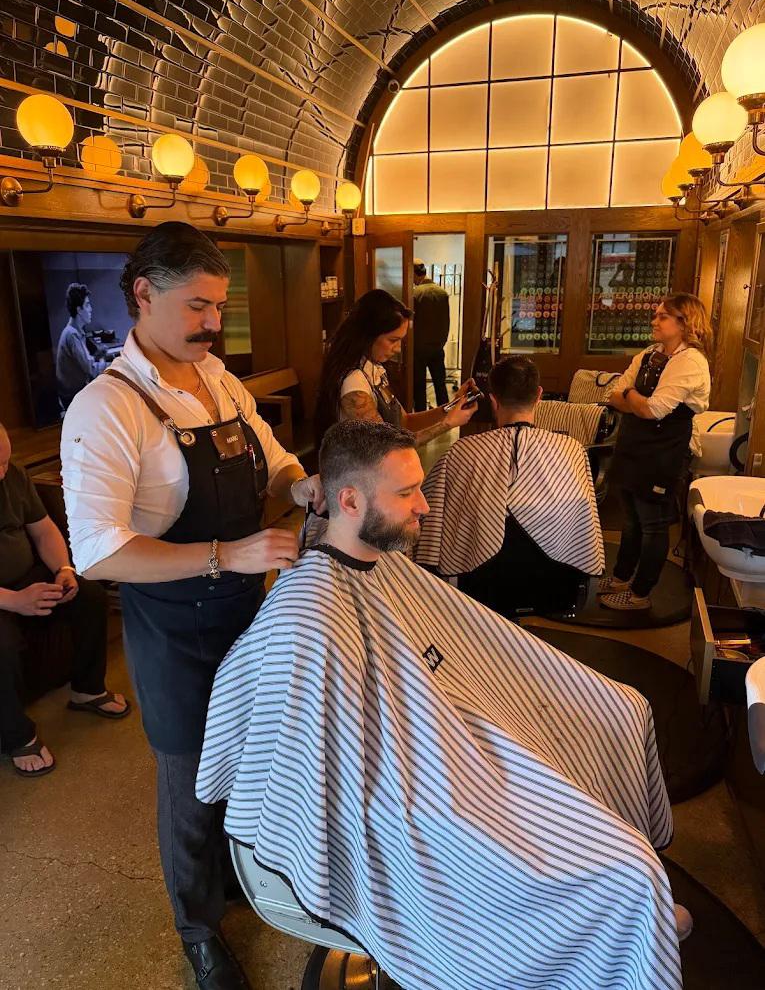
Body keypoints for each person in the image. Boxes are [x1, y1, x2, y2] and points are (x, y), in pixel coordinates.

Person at [198, 419, 691, 990]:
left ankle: (633, 919)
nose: (425, 506)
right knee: (627, 870)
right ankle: (626, 921)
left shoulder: (383, 565)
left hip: (448, 730)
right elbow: (314, 766)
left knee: (618, 710)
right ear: (350, 501)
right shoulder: (307, 610)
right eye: (407, 492)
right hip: (406, 790)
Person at [60, 222, 324, 990]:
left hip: (246, 613)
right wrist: (226, 555)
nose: (213, 323)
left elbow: (275, 461)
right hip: (173, 628)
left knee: (250, 759)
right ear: (143, 294)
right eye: (197, 306)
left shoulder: (220, 380)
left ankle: (240, 878)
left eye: (219, 306)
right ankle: (198, 929)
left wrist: (305, 486)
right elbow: (98, 553)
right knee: (190, 785)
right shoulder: (107, 408)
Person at [416, 355, 604, 615]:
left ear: (493, 400)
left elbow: (428, 518)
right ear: (539, 395)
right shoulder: (572, 449)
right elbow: (585, 528)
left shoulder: (462, 452)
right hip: (557, 585)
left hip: (481, 586)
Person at [0, 422, 128, 777]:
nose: (2, 473)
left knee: (88, 595)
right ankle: (16, 737)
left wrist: (64, 569)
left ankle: (87, 690)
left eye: (5, 462)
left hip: (24, 579)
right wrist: (15, 600)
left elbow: (43, 531)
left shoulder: (14, 475)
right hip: (4, 596)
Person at [600, 293, 712, 612]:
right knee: (631, 520)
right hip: (633, 446)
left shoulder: (690, 362)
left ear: (684, 323)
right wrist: (633, 397)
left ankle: (640, 594)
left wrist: (630, 395)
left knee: (653, 524)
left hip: (664, 453)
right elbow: (613, 395)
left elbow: (654, 410)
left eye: (663, 316)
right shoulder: (650, 354)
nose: (654, 321)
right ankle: (622, 577)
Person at [314, 287, 476, 446]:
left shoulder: (373, 369)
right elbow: (387, 447)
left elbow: (405, 422)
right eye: (393, 340)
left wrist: (452, 406)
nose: (398, 348)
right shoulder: (354, 383)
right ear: (368, 335)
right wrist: (447, 424)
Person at [55, 282, 106, 409]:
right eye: (87, 305)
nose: (91, 309)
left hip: (74, 392)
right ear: (79, 310)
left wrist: (96, 356)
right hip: (72, 397)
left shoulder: (74, 332)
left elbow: (83, 363)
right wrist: (112, 362)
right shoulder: (72, 335)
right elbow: (92, 370)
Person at [412, 257, 450, 411]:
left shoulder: (415, 294)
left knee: (419, 386)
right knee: (440, 384)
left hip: (419, 347)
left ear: (414, 274)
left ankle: (421, 415)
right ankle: (446, 413)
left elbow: (411, 322)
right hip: (438, 346)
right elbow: (446, 320)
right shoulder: (442, 292)